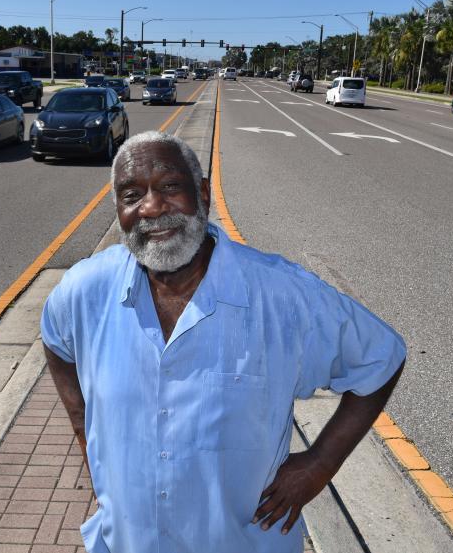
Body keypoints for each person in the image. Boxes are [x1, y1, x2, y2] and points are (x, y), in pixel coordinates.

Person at [41, 131, 406, 553]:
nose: (152, 207)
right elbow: (55, 337)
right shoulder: (86, 290)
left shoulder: (280, 295)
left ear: (202, 194)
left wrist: (321, 462)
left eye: (170, 187)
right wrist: (82, 427)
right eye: (131, 195)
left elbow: (381, 358)